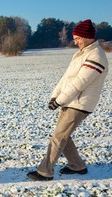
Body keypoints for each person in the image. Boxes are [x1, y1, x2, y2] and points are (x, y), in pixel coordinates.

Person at [28, 19, 108, 181]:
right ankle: (78, 166)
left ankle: (45, 171)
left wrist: (60, 100)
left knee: (59, 137)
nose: (76, 41)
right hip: (70, 101)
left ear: (86, 37)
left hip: (80, 103)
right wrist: (55, 96)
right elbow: (67, 78)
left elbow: (79, 83)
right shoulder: (81, 54)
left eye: (78, 38)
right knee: (64, 136)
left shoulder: (96, 56)